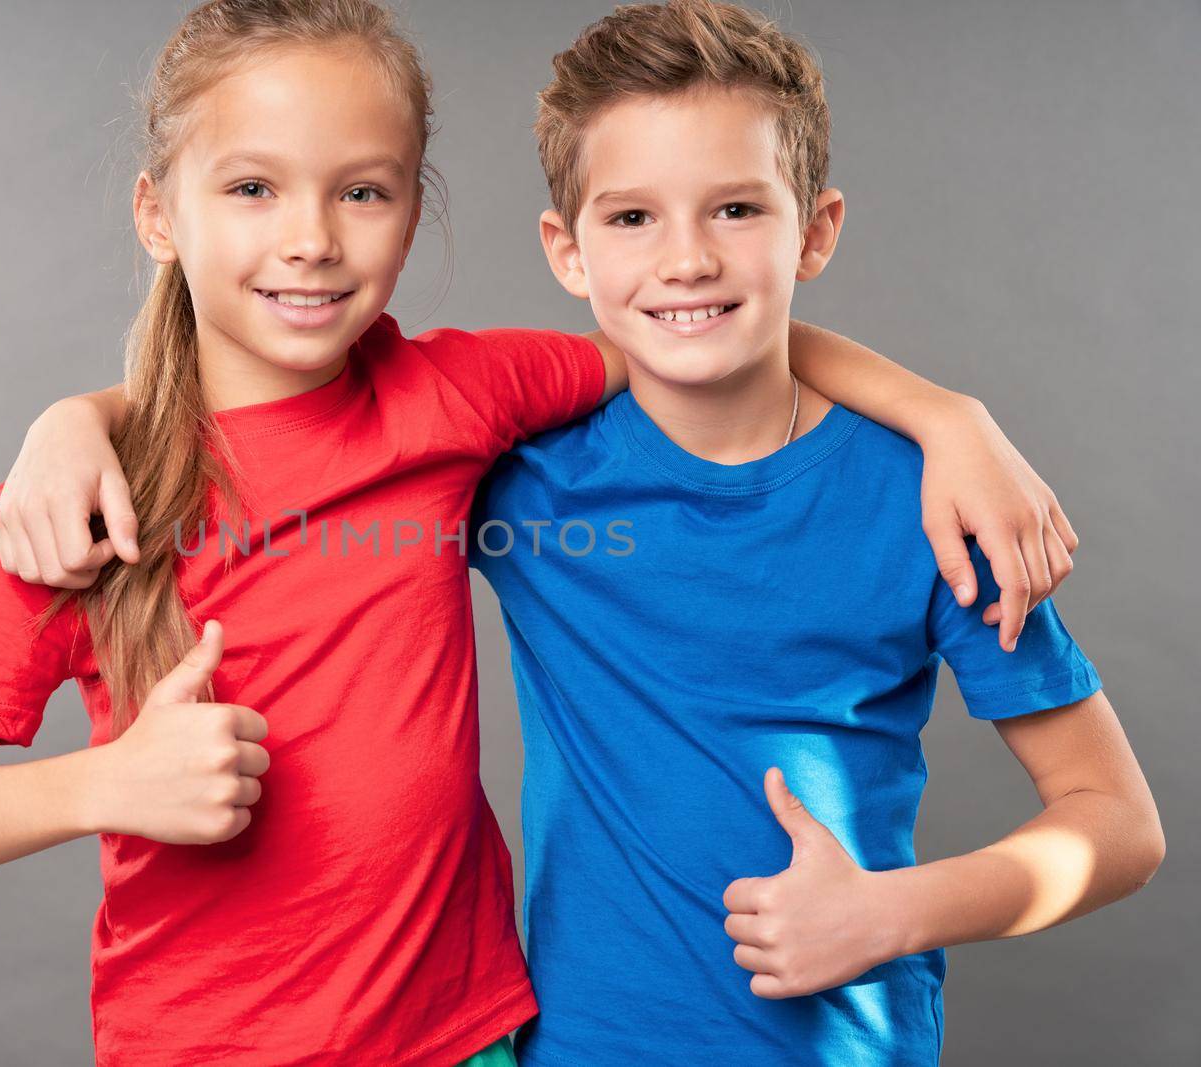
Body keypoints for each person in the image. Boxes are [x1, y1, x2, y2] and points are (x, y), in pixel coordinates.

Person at [0, 1, 1089, 1064]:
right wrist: (99, 782)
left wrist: (945, 415)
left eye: (361, 191)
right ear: (159, 212)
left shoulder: (458, 399)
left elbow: (688, 329)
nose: (308, 237)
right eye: (251, 187)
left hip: (466, 1035)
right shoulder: (82, 504)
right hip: (197, 1044)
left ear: (413, 210)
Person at [467, 3, 1162, 1063]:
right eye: (632, 218)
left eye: (737, 207)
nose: (687, 258)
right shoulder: (522, 479)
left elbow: (1116, 820)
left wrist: (892, 912)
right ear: (567, 250)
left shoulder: (929, 505)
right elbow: (289, 430)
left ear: (817, 230)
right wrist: (107, 416)